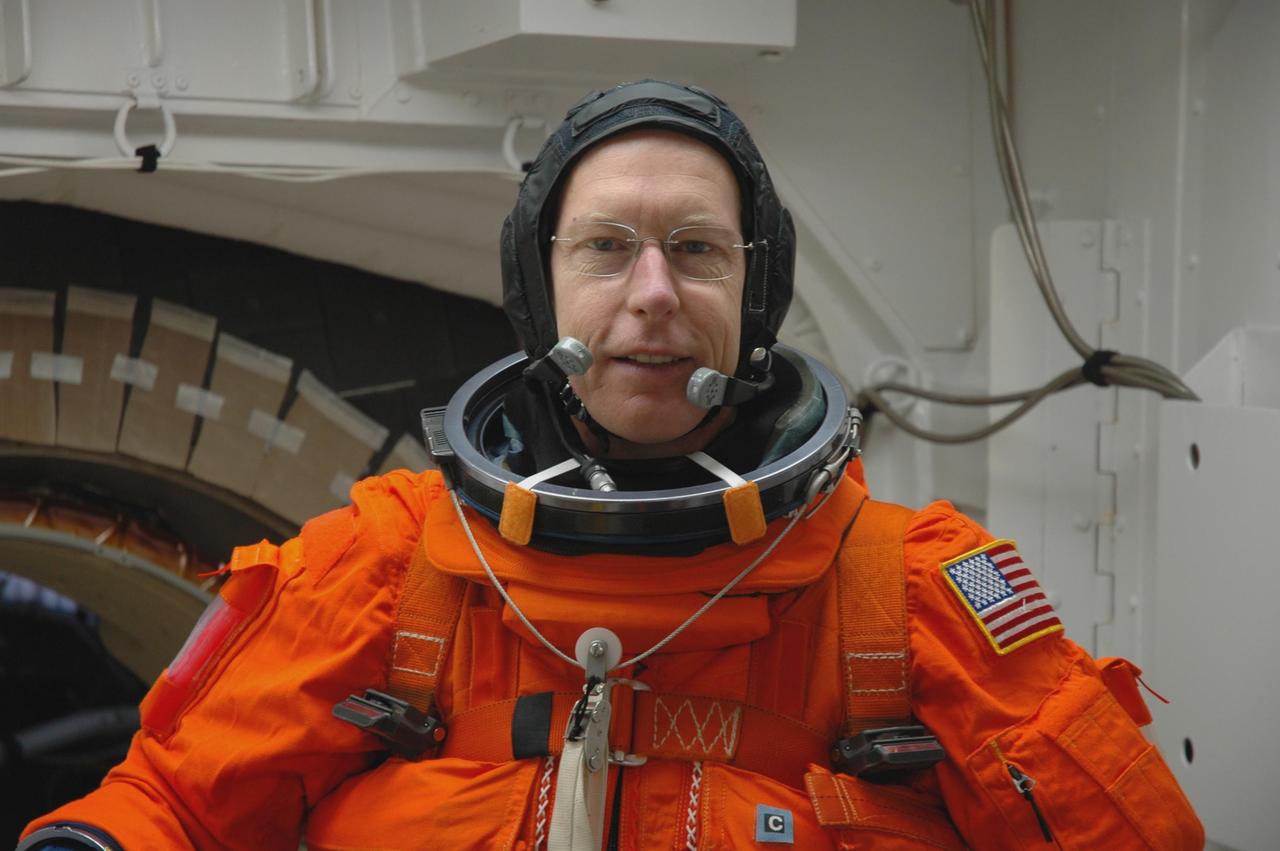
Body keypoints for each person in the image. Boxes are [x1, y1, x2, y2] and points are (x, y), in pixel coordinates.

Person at [20, 80, 1202, 850]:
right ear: (540, 291)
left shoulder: (904, 594)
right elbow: (172, 802)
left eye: (695, 249)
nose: (651, 293)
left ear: (753, 293)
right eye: (605, 248)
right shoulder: (387, 568)